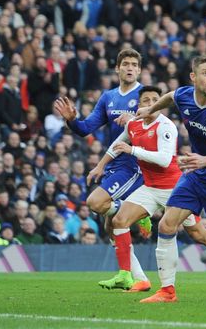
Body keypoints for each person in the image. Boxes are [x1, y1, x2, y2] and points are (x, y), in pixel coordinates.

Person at [88, 85, 206, 291]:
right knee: (119, 220)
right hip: (149, 188)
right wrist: (100, 165)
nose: (151, 104)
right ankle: (132, 276)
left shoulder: (166, 126)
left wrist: (133, 150)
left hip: (172, 188)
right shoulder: (133, 124)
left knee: (202, 236)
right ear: (139, 105)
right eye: (146, 101)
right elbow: (117, 145)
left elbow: (164, 160)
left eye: (155, 100)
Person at [134, 56, 206, 303]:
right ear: (194, 77)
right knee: (166, 225)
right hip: (196, 174)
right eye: (205, 73)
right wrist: (151, 109)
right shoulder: (185, 96)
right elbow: (171, 96)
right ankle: (167, 291)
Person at [54, 48, 152, 291]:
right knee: (112, 227)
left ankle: (143, 213)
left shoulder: (145, 95)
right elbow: (86, 128)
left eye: (134, 65)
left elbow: (157, 123)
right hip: (114, 164)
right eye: (125, 64)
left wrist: (136, 118)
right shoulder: (108, 97)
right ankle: (136, 278)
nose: (129, 68)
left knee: (96, 203)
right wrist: (71, 120)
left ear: (139, 70)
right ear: (117, 68)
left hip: (134, 165)